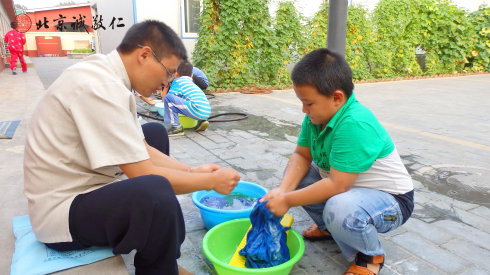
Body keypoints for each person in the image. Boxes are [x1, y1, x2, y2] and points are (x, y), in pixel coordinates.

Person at [23, 20, 240, 275]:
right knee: (156, 192)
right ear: (145, 55)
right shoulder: (99, 86)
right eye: (168, 71)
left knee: (155, 133)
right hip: (61, 213)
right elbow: (143, 174)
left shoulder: (109, 76)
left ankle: (161, 257)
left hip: (87, 184)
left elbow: (142, 148)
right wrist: (210, 182)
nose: (166, 83)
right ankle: (161, 269)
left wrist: (194, 171)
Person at [260, 48, 414, 275]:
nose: (304, 109)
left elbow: (337, 185)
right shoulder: (317, 117)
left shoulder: (354, 123)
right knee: (298, 178)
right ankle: (329, 229)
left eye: (309, 103)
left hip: (392, 204)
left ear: (337, 97)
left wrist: (287, 201)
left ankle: (370, 257)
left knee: (340, 208)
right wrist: (283, 191)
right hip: (350, 190)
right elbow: (301, 156)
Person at [163, 60, 211, 136]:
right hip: (206, 111)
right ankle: (200, 121)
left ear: (176, 74)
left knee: (168, 98)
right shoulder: (192, 84)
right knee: (186, 100)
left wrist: (166, 112)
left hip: (197, 109)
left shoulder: (177, 81)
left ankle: (176, 128)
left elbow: (170, 99)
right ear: (191, 75)